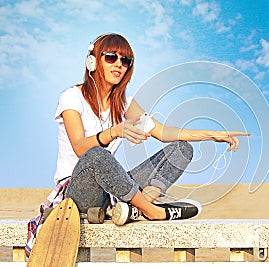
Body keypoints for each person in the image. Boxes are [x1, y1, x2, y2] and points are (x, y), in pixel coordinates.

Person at [25, 33, 249, 256]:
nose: (119, 65)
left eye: (126, 60)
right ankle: (152, 210)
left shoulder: (124, 104)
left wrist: (212, 134)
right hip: (77, 190)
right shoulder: (72, 97)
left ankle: (134, 207)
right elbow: (80, 147)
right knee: (97, 155)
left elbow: (162, 132)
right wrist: (113, 132)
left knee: (182, 149)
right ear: (92, 61)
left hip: (112, 189)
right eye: (111, 57)